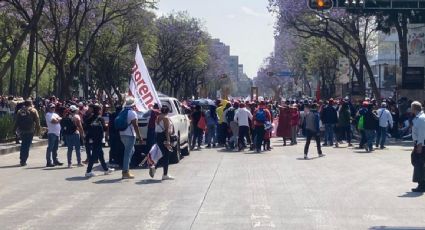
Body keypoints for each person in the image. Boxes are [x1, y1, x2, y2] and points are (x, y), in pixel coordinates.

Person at [85, 104, 114, 177]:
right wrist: (107, 126)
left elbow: (86, 126)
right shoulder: (100, 118)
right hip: (99, 138)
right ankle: (88, 171)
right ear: (98, 110)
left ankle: (106, 169)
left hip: (92, 138)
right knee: (94, 155)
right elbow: (104, 129)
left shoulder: (90, 118)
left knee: (100, 154)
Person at [119, 97, 142, 179]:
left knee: (131, 150)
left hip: (122, 134)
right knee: (128, 153)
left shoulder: (122, 111)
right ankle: (125, 172)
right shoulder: (132, 113)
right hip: (130, 135)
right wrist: (140, 137)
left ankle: (126, 168)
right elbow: (136, 126)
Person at [150, 105, 174, 180]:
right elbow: (166, 130)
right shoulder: (165, 118)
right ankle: (164, 174)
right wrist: (168, 140)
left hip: (158, 137)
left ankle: (155, 167)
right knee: (166, 155)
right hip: (164, 137)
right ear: (167, 111)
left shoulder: (158, 117)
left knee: (162, 154)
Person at [14, 100, 41, 166]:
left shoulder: (20, 111)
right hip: (30, 130)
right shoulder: (33, 110)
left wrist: (14, 129)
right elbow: (37, 121)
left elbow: (16, 121)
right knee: (27, 145)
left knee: (23, 144)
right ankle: (23, 160)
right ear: (31, 104)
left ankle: (21, 158)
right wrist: (38, 130)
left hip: (21, 130)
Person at [410, 101, 425, 192]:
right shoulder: (419, 117)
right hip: (420, 143)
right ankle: (422, 183)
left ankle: (421, 185)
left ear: (414, 108)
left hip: (421, 144)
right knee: (419, 163)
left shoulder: (421, 118)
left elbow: (422, 133)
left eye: (411, 107)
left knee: (418, 163)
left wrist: (419, 144)